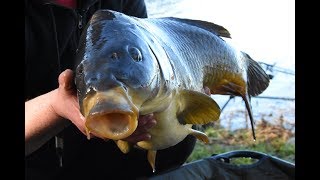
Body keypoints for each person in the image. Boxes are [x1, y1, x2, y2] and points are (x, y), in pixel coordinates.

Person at [25, 0, 198, 179]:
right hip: (34, 160)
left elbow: (148, 66)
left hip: (101, 150)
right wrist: (54, 108)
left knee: (179, 122)